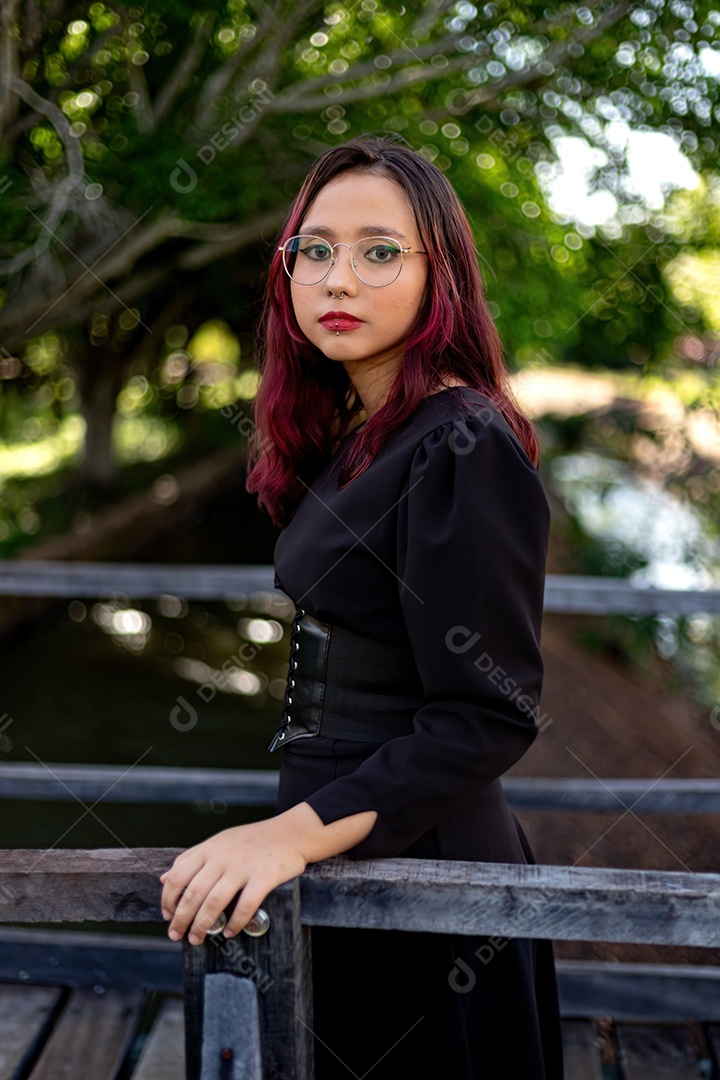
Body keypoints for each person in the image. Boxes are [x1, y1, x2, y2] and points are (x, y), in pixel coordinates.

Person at [160, 132, 565, 1079]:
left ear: (442, 276)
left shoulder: (462, 441)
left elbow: (486, 714)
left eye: (381, 251)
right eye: (316, 249)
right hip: (338, 841)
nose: (339, 278)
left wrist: (285, 835)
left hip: (424, 871)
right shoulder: (362, 432)